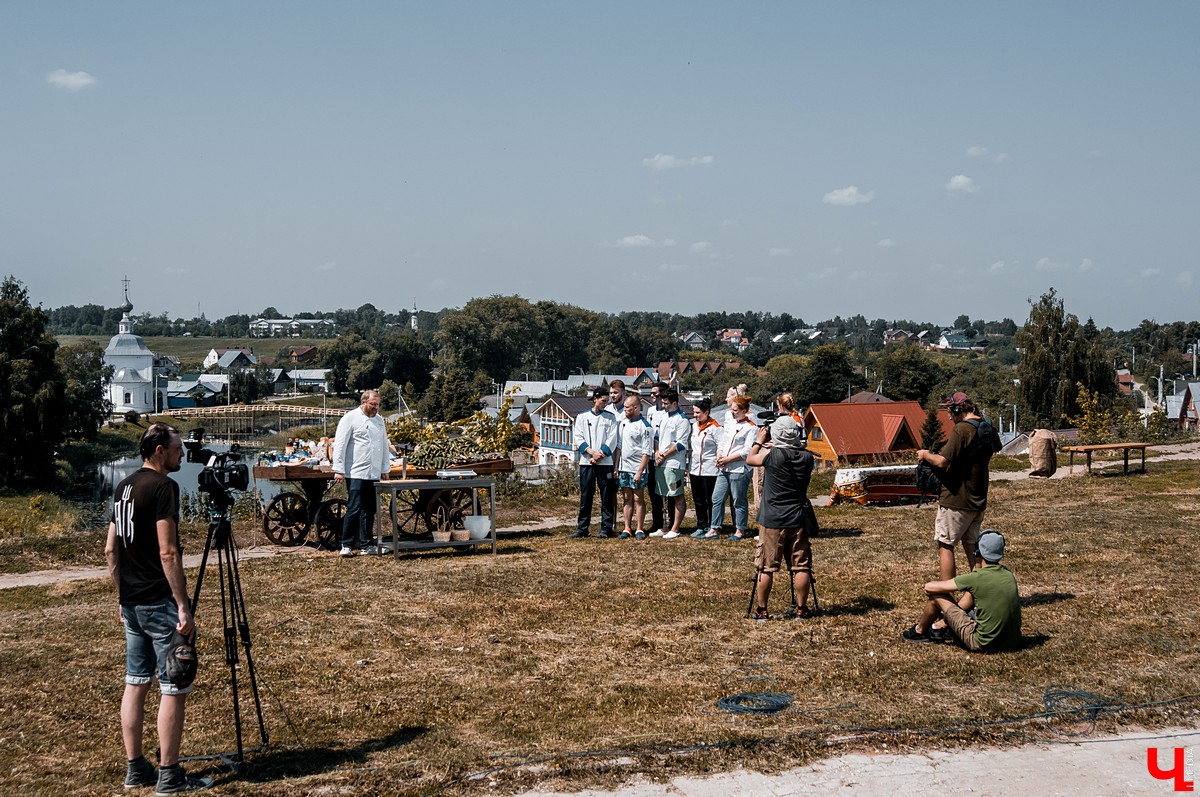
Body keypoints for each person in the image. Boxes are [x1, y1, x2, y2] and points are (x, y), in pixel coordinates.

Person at [104, 423, 212, 793]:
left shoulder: (123, 487)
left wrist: (122, 595)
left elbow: (110, 549)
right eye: (177, 448)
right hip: (158, 600)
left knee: (135, 682)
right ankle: (169, 774)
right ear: (158, 451)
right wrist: (183, 606)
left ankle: (135, 768)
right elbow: (168, 551)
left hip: (132, 601)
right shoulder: (164, 487)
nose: (182, 453)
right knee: (174, 684)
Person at [916, 391, 998, 580]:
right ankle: (978, 597)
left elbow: (942, 461)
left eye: (949, 411)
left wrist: (925, 454)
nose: (948, 416)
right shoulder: (988, 427)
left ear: (957, 409)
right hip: (978, 497)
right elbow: (996, 447)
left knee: (946, 545)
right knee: (972, 548)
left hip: (956, 498)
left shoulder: (962, 429)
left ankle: (947, 598)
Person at [745, 415, 818, 620]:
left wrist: (759, 440)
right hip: (798, 518)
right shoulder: (807, 458)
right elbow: (795, 449)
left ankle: (762, 609)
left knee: (766, 567)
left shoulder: (770, 456)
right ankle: (802, 609)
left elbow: (751, 459)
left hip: (773, 519)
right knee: (801, 565)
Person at [902, 530, 1021, 652]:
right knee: (972, 595)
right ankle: (940, 626)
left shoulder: (976, 578)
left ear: (977, 552)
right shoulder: (1008, 575)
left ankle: (919, 631)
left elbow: (930, 587)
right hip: (1012, 642)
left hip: (983, 643)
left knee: (937, 596)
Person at [332, 389, 391, 557]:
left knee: (370, 510)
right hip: (355, 472)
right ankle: (347, 545)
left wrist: (385, 468)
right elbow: (340, 445)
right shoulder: (350, 418)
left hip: (373, 473)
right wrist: (338, 469)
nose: (375, 408)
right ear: (363, 402)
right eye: (373, 405)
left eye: (378, 405)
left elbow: (384, 445)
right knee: (354, 508)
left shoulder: (379, 421)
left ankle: (366, 545)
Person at [570, 387, 619, 538]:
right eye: (603, 401)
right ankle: (582, 528)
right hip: (587, 462)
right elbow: (578, 437)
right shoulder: (582, 417)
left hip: (605, 462)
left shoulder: (611, 418)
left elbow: (612, 439)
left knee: (606, 496)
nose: (606, 404)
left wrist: (600, 455)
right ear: (595, 399)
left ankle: (606, 528)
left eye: (607, 401)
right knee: (586, 496)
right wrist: (591, 453)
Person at [708, 396, 757, 540]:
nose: (732, 412)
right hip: (724, 468)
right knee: (717, 498)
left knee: (738, 500)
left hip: (739, 469)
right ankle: (714, 528)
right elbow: (723, 441)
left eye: (735, 410)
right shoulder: (730, 423)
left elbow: (747, 451)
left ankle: (740, 530)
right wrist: (719, 455)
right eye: (731, 409)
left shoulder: (751, 427)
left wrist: (728, 459)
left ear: (744, 411)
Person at [651, 387, 690, 538]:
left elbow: (680, 444)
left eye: (666, 403)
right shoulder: (663, 417)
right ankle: (664, 525)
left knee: (676, 495)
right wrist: (656, 453)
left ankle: (675, 528)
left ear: (675, 403)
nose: (664, 405)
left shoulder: (682, 420)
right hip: (661, 463)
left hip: (674, 464)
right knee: (662, 495)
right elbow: (656, 437)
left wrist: (664, 455)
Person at [614, 395, 653, 538]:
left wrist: (640, 471)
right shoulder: (623, 423)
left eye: (627, 408)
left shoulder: (645, 426)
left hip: (637, 468)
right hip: (624, 467)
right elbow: (619, 446)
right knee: (626, 497)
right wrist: (616, 466)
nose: (625, 410)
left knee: (638, 498)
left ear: (636, 408)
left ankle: (640, 528)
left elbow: (646, 452)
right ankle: (627, 528)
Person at [688, 398, 721, 539]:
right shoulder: (694, 427)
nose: (695, 415)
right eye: (694, 412)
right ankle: (701, 525)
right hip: (695, 468)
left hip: (710, 469)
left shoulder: (715, 428)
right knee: (698, 499)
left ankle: (713, 526)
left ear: (706, 412)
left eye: (698, 412)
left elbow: (720, 446)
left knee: (711, 500)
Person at [645, 382, 675, 533]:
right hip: (653, 455)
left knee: (669, 492)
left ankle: (671, 522)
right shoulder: (650, 410)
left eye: (655, 394)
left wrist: (661, 454)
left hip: (666, 457)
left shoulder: (668, 412)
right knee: (654, 491)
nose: (652, 396)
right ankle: (657, 521)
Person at [604, 380, 631, 525]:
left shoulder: (628, 410)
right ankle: (612, 523)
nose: (613, 396)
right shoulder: (607, 410)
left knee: (628, 492)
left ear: (623, 393)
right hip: (611, 455)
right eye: (611, 393)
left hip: (626, 455)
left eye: (616, 393)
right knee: (611, 491)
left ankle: (628, 524)